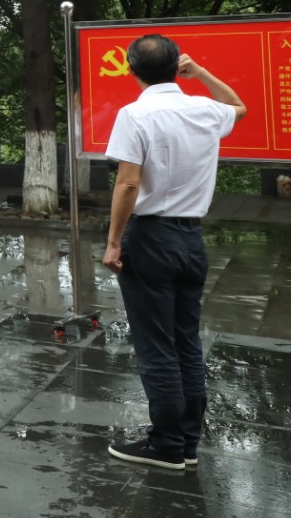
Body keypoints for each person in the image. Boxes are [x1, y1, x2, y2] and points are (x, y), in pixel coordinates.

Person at [103, 36, 245, 472]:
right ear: (175, 68)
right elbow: (238, 106)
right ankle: (186, 443)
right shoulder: (204, 109)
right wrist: (200, 73)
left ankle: (165, 446)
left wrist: (113, 241)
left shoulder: (134, 114)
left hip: (150, 237)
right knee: (186, 342)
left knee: (156, 346)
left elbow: (128, 183)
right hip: (191, 239)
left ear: (132, 70)